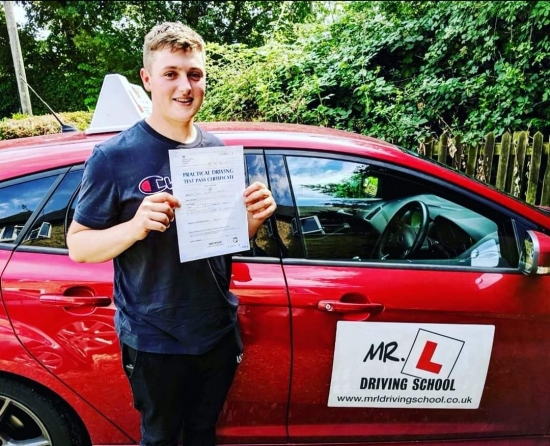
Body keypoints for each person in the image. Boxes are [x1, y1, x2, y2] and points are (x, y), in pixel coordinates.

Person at [67, 21, 276, 446]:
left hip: (216, 328)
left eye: (194, 74)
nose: (185, 86)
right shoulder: (114, 157)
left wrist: (251, 220)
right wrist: (135, 225)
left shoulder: (216, 151)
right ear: (147, 79)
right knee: (161, 437)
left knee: (203, 433)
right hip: (154, 336)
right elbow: (78, 246)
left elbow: (223, 242)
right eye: (171, 73)